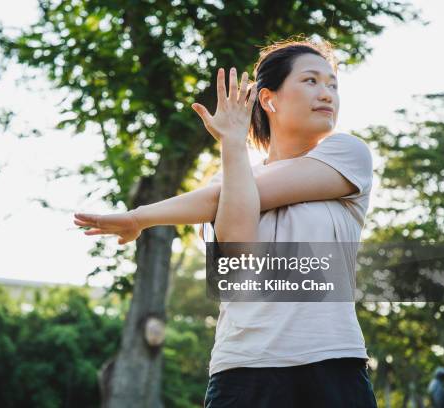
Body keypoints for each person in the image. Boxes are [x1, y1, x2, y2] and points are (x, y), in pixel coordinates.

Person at [73, 37, 378, 407]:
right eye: (311, 81)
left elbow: (219, 199)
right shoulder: (226, 180)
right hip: (242, 371)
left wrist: (140, 217)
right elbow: (238, 247)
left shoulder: (348, 154)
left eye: (332, 84)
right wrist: (232, 142)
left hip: (332, 364)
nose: (327, 93)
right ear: (269, 99)